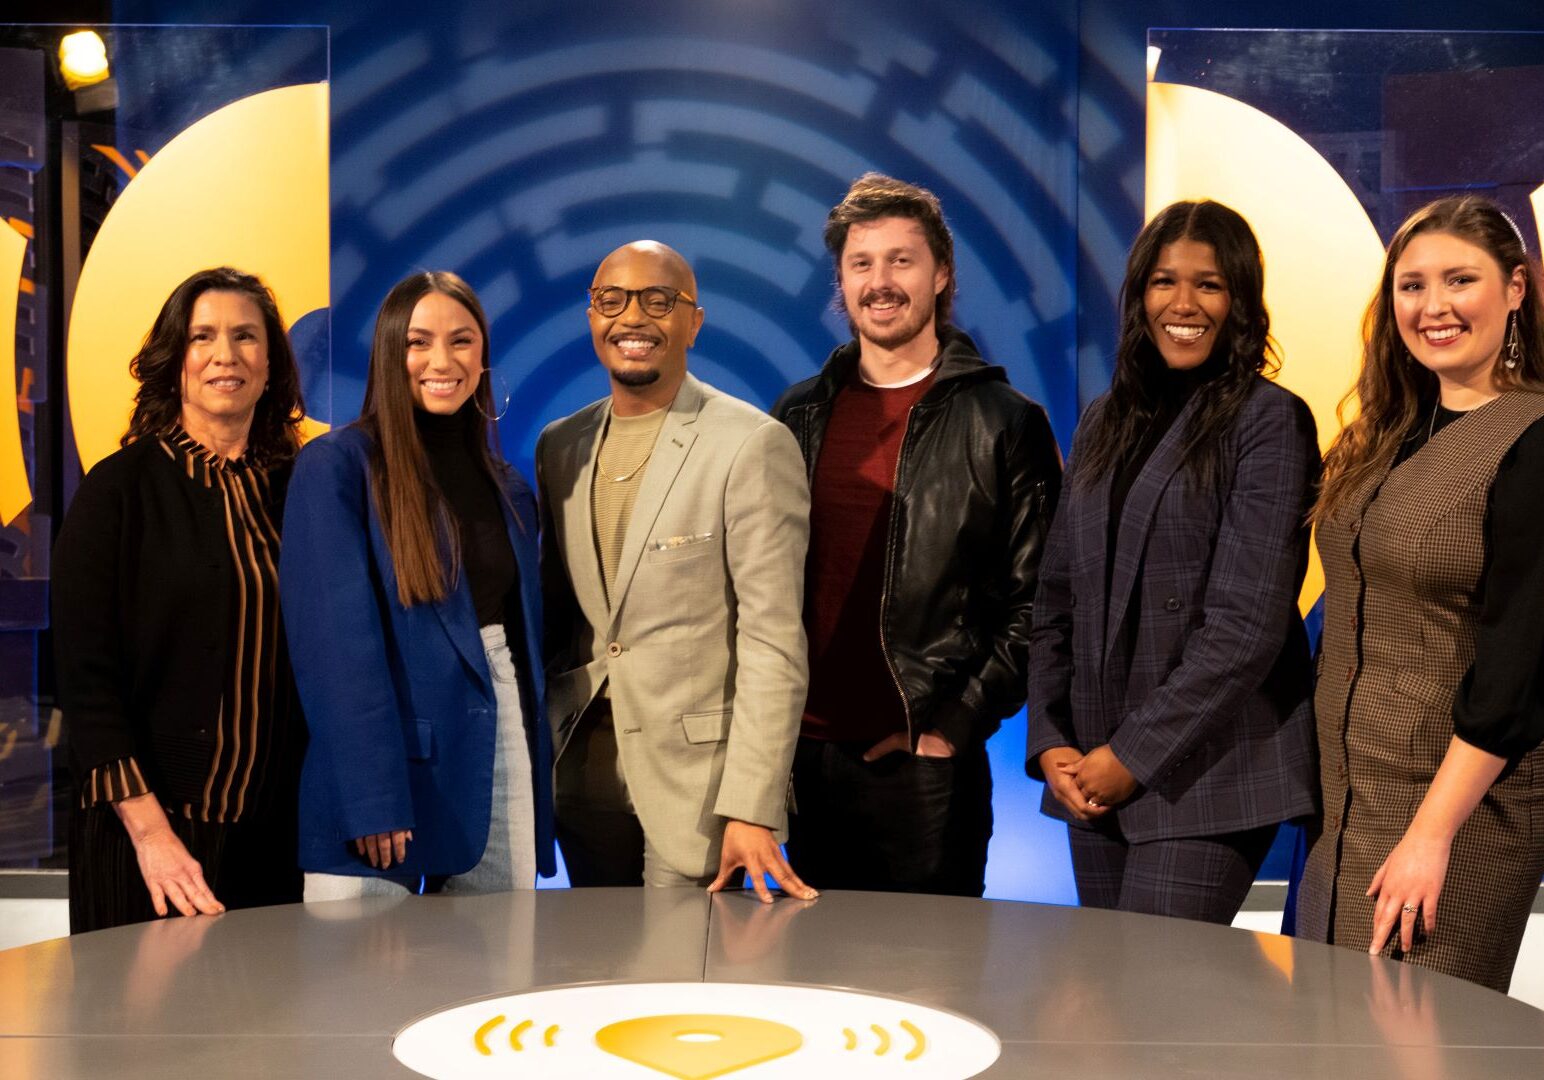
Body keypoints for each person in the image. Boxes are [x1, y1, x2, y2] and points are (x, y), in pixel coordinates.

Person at [1025, 200, 1320, 924]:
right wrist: (1051, 741)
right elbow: (1054, 595)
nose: (1183, 304)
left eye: (1209, 285)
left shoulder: (1270, 420)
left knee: (1158, 1010)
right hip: (1090, 769)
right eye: (1163, 281)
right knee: (1112, 1012)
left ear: (1241, 300)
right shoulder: (1103, 418)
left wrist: (1131, 757)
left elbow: (1244, 629)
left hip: (1208, 774)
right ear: (1139, 296)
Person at [771, 173, 1062, 896]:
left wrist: (954, 724)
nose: (881, 281)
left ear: (941, 275)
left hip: (926, 774)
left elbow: (1041, 605)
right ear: (840, 280)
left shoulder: (1004, 420)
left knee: (925, 997)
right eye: (862, 263)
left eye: (902, 260)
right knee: (802, 995)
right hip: (797, 764)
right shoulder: (797, 414)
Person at [1299, 194, 1544, 991]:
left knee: (1417, 1050)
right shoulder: (1384, 433)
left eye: (1459, 281)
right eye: (1411, 286)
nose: (1432, 307)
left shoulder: (1533, 440)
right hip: (1346, 811)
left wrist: (1430, 836)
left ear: (1514, 289)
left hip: (1460, 821)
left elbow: (1517, 673)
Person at [537, 240, 816, 902]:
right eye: (611, 300)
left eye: (658, 301)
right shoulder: (559, 446)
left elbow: (773, 640)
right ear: (591, 317)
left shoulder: (751, 444)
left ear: (694, 321)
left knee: (689, 993)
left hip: (702, 799)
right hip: (580, 786)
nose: (632, 318)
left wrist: (752, 803)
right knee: (591, 995)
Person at [281, 271, 554, 897]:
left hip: (496, 747)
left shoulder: (509, 486)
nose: (441, 361)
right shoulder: (337, 467)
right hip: (376, 781)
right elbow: (335, 653)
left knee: (496, 981)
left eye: (461, 341)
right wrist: (371, 796)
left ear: (482, 355)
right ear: (387, 352)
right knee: (362, 991)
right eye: (418, 342)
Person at [55, 266, 307, 931]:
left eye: (246, 337)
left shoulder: (300, 492)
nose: (226, 354)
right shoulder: (118, 492)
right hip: (146, 843)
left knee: (266, 1034)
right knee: (147, 1034)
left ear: (270, 363)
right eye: (204, 336)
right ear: (176, 361)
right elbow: (85, 684)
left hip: (271, 844)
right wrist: (151, 837)